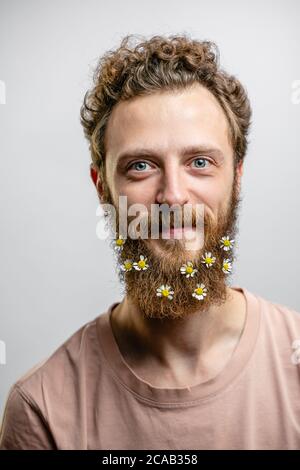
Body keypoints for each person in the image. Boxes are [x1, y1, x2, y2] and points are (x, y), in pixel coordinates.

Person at [1, 33, 300, 450]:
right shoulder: (43, 408)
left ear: (237, 176)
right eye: (141, 166)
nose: (173, 196)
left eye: (200, 162)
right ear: (102, 187)